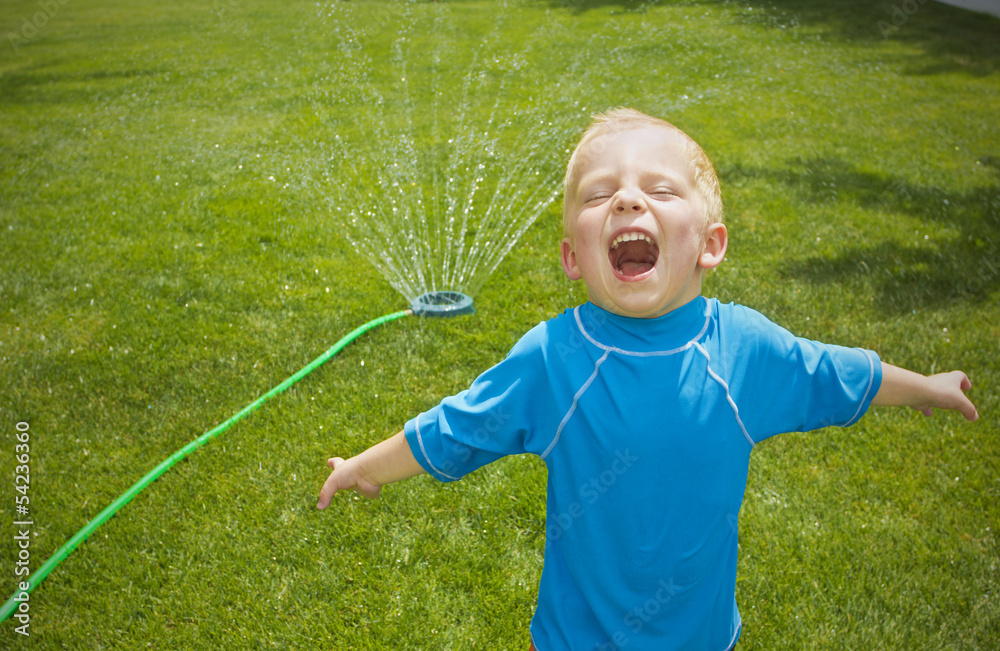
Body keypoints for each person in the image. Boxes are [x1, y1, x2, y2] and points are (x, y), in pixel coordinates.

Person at [316, 108, 978, 651]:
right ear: (574, 257)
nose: (628, 197)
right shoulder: (554, 357)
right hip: (573, 640)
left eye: (660, 190)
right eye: (600, 193)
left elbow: (839, 374)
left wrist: (925, 385)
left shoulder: (742, 350)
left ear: (710, 244)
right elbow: (457, 424)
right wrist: (363, 466)